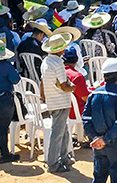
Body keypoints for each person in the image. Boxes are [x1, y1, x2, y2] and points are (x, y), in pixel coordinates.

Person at [84, 58, 117, 183]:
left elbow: (86, 119)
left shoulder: (93, 94)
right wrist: (105, 139)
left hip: (98, 144)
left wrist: (95, 138)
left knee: (99, 177)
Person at [40, 32, 77, 172]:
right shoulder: (58, 63)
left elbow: (42, 81)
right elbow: (64, 86)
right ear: (61, 49)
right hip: (61, 101)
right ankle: (53, 163)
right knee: (58, 133)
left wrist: (43, 96)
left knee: (64, 131)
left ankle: (65, 157)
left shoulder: (46, 61)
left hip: (52, 100)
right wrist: (73, 87)